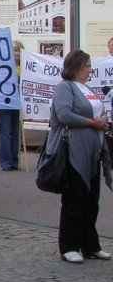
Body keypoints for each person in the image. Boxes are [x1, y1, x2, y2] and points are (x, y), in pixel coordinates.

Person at [49, 49, 112, 263]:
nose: (90, 70)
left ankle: (90, 244)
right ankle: (69, 244)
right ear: (76, 67)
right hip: (74, 151)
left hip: (93, 152)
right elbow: (64, 114)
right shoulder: (64, 88)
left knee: (91, 200)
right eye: (87, 66)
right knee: (74, 199)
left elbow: (97, 110)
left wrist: (103, 118)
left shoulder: (86, 88)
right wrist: (92, 123)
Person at [0, 40, 24, 171]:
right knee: (5, 131)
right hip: (4, 101)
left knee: (16, 131)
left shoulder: (25, 67)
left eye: (18, 50)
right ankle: (6, 162)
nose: (16, 53)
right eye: (13, 50)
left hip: (18, 101)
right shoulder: (4, 66)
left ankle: (14, 160)